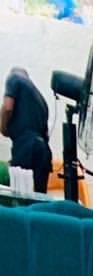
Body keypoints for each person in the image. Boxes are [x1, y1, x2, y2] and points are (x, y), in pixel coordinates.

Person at [1, 66, 53, 194]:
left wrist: (3, 127)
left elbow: (7, 107)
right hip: (44, 151)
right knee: (40, 196)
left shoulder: (14, 78)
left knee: (19, 194)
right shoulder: (42, 102)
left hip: (25, 146)